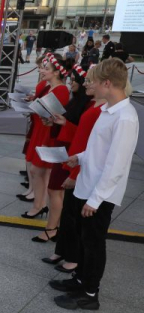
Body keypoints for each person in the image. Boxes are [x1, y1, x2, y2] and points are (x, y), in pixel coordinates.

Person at [53, 58, 139, 310]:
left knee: (93, 243)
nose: (90, 85)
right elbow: (97, 149)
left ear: (108, 83)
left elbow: (116, 165)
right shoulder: (107, 111)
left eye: (94, 82)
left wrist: (96, 199)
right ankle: (80, 280)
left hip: (99, 194)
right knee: (82, 239)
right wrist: (78, 157)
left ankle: (90, 293)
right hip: (87, 185)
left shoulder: (125, 117)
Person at [44, 64, 104, 272]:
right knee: (69, 214)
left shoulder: (102, 110)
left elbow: (91, 145)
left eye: (89, 81)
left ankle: (74, 259)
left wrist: (75, 172)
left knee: (76, 218)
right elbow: (81, 135)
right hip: (74, 160)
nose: (85, 83)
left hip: (79, 165)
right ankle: (63, 250)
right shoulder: (92, 105)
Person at [32, 64, 91, 244]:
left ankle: (52, 228)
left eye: (75, 80)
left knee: (55, 190)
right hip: (65, 148)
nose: (71, 83)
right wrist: (56, 123)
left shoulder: (87, 105)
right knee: (55, 190)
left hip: (71, 153)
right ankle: (55, 227)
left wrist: (63, 124)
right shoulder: (78, 101)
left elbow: (83, 134)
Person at [22, 55, 70, 221]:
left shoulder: (61, 90)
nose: (42, 70)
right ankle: (39, 204)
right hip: (40, 131)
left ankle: (40, 205)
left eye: (46, 69)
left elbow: (55, 116)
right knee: (37, 171)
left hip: (47, 134)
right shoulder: (49, 87)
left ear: (56, 73)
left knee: (39, 171)